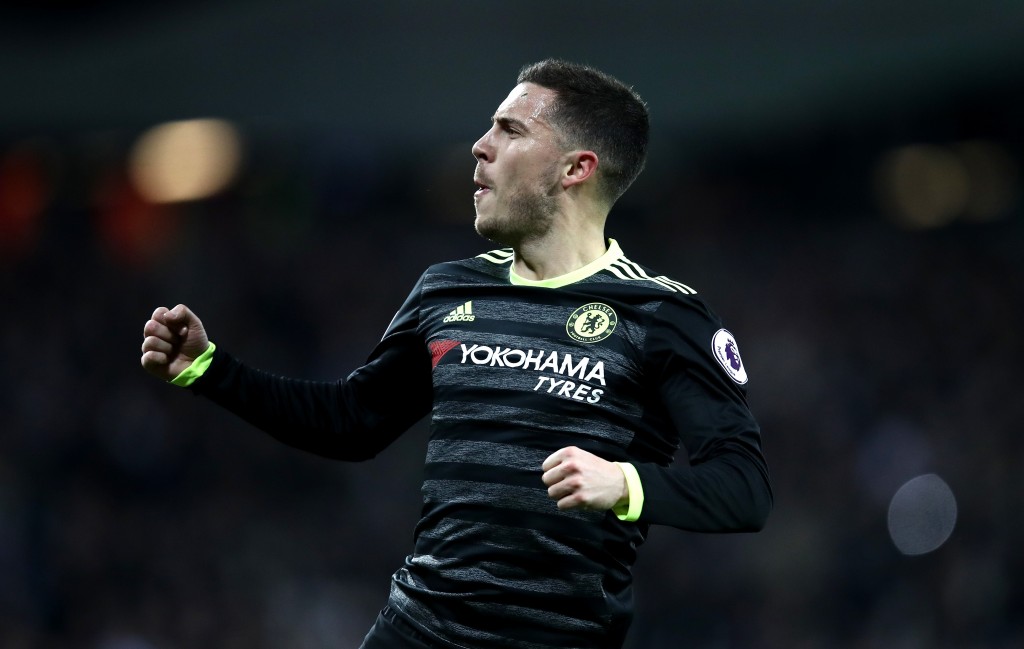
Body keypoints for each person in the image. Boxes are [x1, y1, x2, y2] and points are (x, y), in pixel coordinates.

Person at [140, 59, 772, 649]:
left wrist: (623, 482)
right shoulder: (447, 289)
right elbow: (352, 421)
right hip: (415, 630)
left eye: (510, 130)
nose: (479, 145)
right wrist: (210, 369)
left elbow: (744, 489)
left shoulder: (663, 315)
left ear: (575, 169)